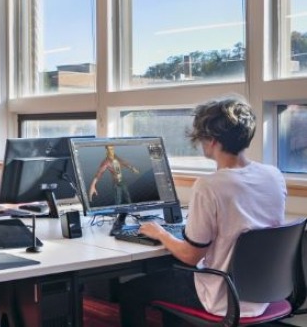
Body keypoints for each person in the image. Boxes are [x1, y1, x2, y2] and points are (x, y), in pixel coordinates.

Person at [118, 95, 286, 326]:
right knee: (174, 272)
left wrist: (161, 234)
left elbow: (191, 255)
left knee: (131, 290)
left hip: (222, 296)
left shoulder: (209, 186)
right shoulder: (273, 175)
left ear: (212, 141)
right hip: (264, 292)